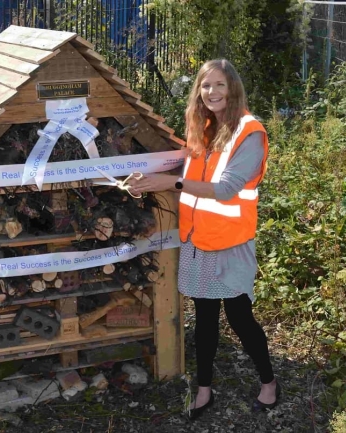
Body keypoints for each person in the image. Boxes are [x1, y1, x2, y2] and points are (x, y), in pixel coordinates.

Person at [127, 59, 279, 420]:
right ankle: (204, 390)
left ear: (234, 88)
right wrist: (150, 175)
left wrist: (171, 183)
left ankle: (269, 383)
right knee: (205, 319)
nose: (211, 92)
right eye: (205, 85)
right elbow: (190, 170)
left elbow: (226, 189)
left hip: (231, 240)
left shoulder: (250, 132)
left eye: (220, 85)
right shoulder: (203, 127)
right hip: (197, 239)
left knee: (241, 317)